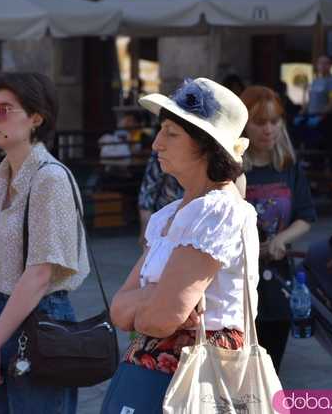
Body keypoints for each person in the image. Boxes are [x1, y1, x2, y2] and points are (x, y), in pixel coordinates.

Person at [105, 78, 259, 409]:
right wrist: (156, 297)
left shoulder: (218, 209)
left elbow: (161, 319)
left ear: (206, 146)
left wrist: (151, 305)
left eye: (172, 133)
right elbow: (118, 311)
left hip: (197, 379)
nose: (156, 143)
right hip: (152, 373)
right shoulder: (168, 215)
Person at [0, 72, 90, 414]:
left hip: (39, 322)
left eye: (5, 109)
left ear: (35, 118)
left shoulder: (50, 178)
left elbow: (40, 274)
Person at [240, 85, 316, 371]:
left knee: (271, 370)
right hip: (239, 287)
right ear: (244, 125)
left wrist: (281, 239)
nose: (268, 129)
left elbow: (306, 216)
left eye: (274, 121)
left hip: (280, 287)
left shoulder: (289, 167)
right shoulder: (232, 169)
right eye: (260, 122)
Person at [297, 55, 332, 170]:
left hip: (328, 121)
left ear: (330, 66)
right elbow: (309, 101)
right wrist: (302, 112)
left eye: (326, 63)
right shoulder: (315, 82)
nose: (323, 65)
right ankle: (315, 178)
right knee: (314, 151)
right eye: (320, 63)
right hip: (313, 121)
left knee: (330, 150)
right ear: (317, 65)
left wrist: (319, 115)